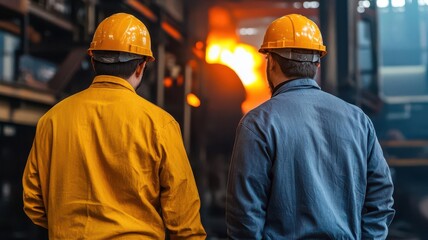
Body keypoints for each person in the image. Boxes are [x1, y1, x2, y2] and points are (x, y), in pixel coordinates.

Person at [22, 13, 206, 239]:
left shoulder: (52, 120)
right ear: (140, 67)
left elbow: (33, 202)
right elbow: (184, 220)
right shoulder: (160, 125)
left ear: (93, 61)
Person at [226, 14, 395, 239]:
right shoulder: (358, 120)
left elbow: (245, 214)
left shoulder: (258, 123)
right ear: (316, 63)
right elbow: (381, 196)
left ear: (272, 62)